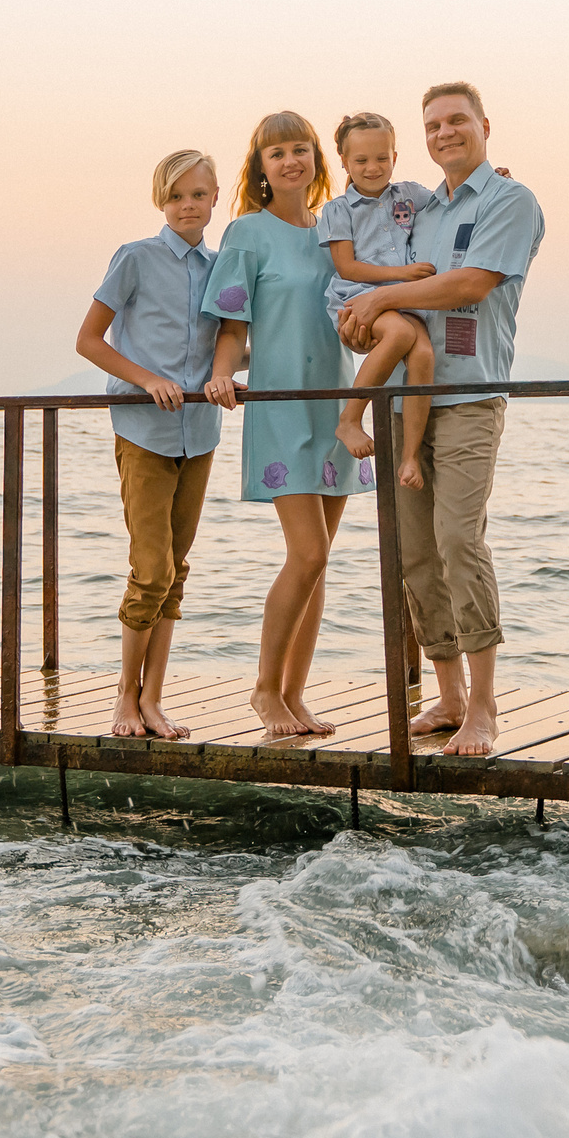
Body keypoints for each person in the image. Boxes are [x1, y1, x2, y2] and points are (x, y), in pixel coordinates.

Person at [338, 81, 544, 757]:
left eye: (457, 120)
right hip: (405, 399)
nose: (445, 132)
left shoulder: (511, 201)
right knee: (416, 557)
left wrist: (383, 295)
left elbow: (471, 283)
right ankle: (449, 695)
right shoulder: (419, 210)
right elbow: (366, 250)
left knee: (460, 540)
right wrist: (364, 315)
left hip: (471, 397)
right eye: (433, 125)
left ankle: (485, 709)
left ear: (485, 124)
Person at [202, 111, 371, 737]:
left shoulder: (339, 227)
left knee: (318, 561)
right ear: (262, 168)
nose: (291, 161)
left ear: (316, 161)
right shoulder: (247, 233)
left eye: (301, 149)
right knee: (308, 551)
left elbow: (404, 219)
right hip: (279, 406)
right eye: (277, 154)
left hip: (337, 407)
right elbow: (232, 327)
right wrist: (222, 374)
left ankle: (296, 696)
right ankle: (265, 690)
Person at [73, 149, 224, 741]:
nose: (188, 205)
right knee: (151, 567)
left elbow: (232, 341)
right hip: (143, 431)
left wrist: (223, 376)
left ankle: (154, 702)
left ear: (215, 198)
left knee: (175, 570)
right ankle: (122, 697)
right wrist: (148, 379)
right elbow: (88, 339)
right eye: (177, 195)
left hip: (202, 432)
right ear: (161, 200)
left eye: (199, 194)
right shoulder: (135, 257)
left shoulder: (222, 267)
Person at [318, 111, 438, 491]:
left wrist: (492, 183)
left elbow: (453, 203)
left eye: (382, 158)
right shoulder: (337, 210)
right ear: (343, 161)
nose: (373, 168)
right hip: (357, 298)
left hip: (404, 300)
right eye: (361, 161)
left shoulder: (411, 195)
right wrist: (401, 275)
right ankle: (350, 419)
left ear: (395, 157)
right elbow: (347, 266)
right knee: (401, 335)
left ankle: (409, 457)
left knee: (423, 356)